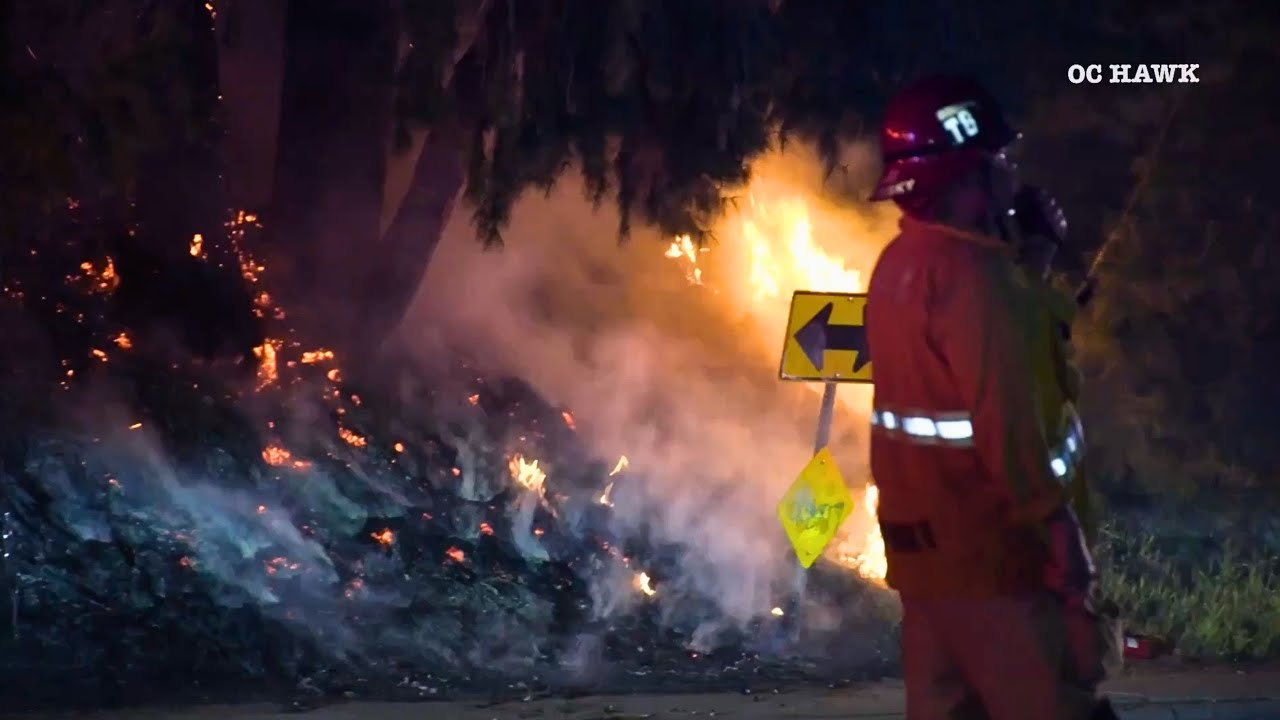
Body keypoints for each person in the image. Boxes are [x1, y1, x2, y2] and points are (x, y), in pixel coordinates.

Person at [864, 75, 1117, 720]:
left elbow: (988, 343)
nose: (1012, 176)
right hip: (999, 566)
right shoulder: (979, 283)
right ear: (968, 175)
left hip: (929, 570)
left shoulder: (900, 264)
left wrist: (1029, 256)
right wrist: (1065, 545)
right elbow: (1011, 426)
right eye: (1001, 161)